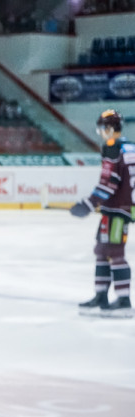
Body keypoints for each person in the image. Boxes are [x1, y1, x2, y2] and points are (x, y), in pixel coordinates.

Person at [71, 109, 135, 315]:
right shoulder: (130, 146)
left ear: (109, 129)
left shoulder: (112, 148)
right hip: (121, 208)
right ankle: (101, 295)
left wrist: (88, 204)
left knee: (114, 252)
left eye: (101, 129)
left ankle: (123, 300)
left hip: (117, 210)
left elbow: (109, 183)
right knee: (102, 250)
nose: (100, 134)